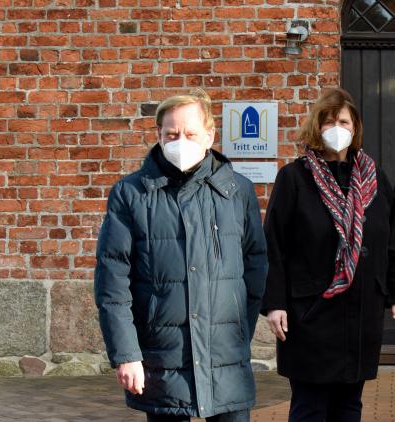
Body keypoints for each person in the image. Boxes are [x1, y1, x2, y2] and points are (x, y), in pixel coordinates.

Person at [94, 90, 268, 422]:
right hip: (162, 358)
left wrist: (237, 328)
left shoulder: (237, 191)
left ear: (210, 134)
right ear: (158, 136)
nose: (180, 141)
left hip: (225, 356)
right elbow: (112, 283)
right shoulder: (130, 194)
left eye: (190, 133)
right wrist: (127, 355)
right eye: (171, 134)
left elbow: (255, 266)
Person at [261, 87, 395, 422]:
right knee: (310, 405)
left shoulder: (374, 178)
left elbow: (393, 237)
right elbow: (274, 246)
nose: (336, 128)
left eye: (343, 121)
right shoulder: (295, 177)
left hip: (361, 310)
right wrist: (275, 303)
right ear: (316, 127)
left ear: (355, 127)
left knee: (349, 404)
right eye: (328, 122)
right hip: (311, 311)